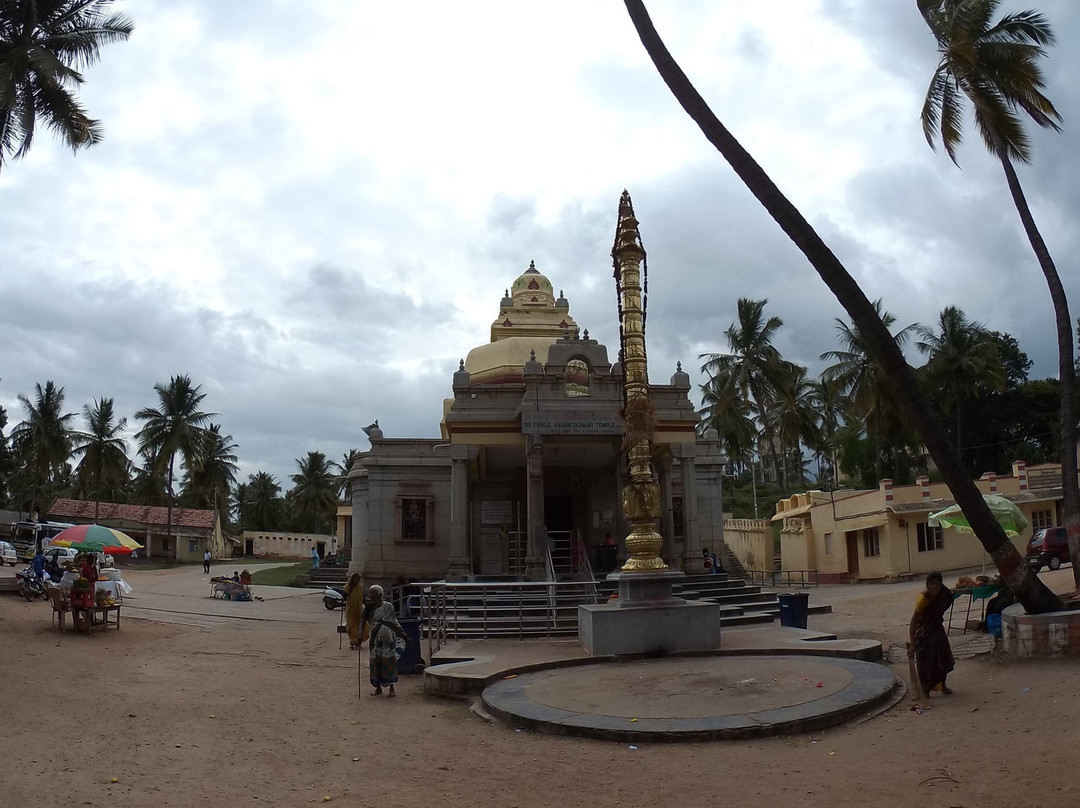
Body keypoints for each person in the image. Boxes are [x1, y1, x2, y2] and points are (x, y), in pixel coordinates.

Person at [908, 570, 955, 697]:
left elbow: (946, 603)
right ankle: (926, 689)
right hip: (924, 630)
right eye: (931, 584)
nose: (934, 587)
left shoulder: (944, 594)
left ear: (941, 585)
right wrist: (913, 645)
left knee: (943, 656)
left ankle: (943, 684)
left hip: (937, 628)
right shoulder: (923, 598)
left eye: (937, 584)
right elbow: (913, 621)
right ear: (927, 585)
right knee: (925, 661)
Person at [367, 584, 409, 696]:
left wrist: (404, 635)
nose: (370, 595)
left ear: (380, 595)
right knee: (375, 662)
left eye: (372, 592)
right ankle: (378, 687)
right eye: (370, 592)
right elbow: (364, 620)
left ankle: (391, 688)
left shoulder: (388, 606)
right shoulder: (370, 607)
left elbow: (393, 622)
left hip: (388, 640)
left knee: (389, 662)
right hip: (375, 640)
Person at [345, 573, 368, 651]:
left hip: (359, 610)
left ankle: (358, 642)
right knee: (350, 626)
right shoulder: (348, 587)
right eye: (355, 579)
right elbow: (344, 596)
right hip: (350, 610)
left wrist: (367, 606)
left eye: (358, 579)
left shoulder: (360, 587)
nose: (356, 581)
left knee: (360, 626)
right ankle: (352, 642)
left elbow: (363, 598)